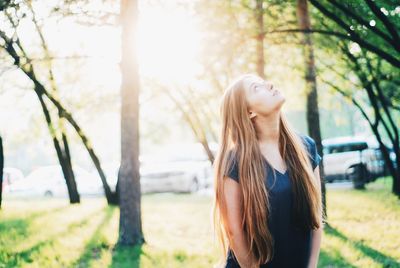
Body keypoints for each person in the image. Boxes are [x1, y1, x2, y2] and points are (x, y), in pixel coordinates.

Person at [212, 74, 325, 268]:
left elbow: (316, 216)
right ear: (249, 112)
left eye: (264, 83)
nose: (270, 84)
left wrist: (311, 265)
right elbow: (234, 232)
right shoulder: (234, 161)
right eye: (257, 88)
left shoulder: (306, 147)